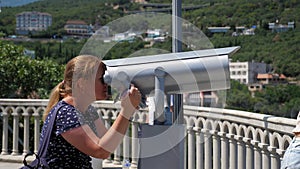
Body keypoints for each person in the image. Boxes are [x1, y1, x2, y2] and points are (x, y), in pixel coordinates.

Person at [41, 55, 141, 168]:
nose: (106, 84)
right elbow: (101, 151)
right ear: (81, 83)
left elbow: (108, 140)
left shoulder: (87, 110)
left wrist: (128, 106)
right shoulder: (66, 114)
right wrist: (126, 111)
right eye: (102, 79)